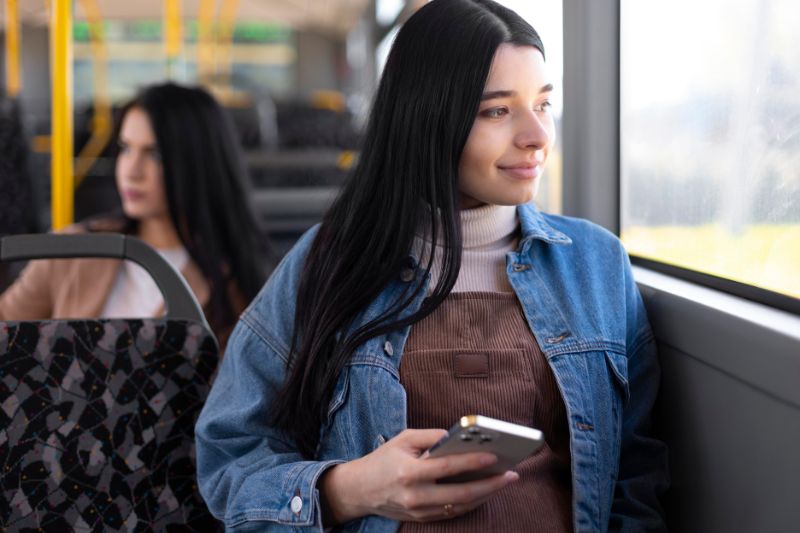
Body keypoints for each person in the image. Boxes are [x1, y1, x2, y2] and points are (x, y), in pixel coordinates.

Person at [195, 0, 668, 531]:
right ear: (426, 118)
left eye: (543, 103)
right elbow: (227, 457)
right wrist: (349, 489)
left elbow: (635, 473)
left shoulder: (597, 264)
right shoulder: (324, 264)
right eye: (497, 111)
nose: (537, 135)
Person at [0, 82, 268, 350]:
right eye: (126, 148)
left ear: (198, 161)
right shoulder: (69, 251)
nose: (132, 171)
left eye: (155, 154)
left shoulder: (234, 285)